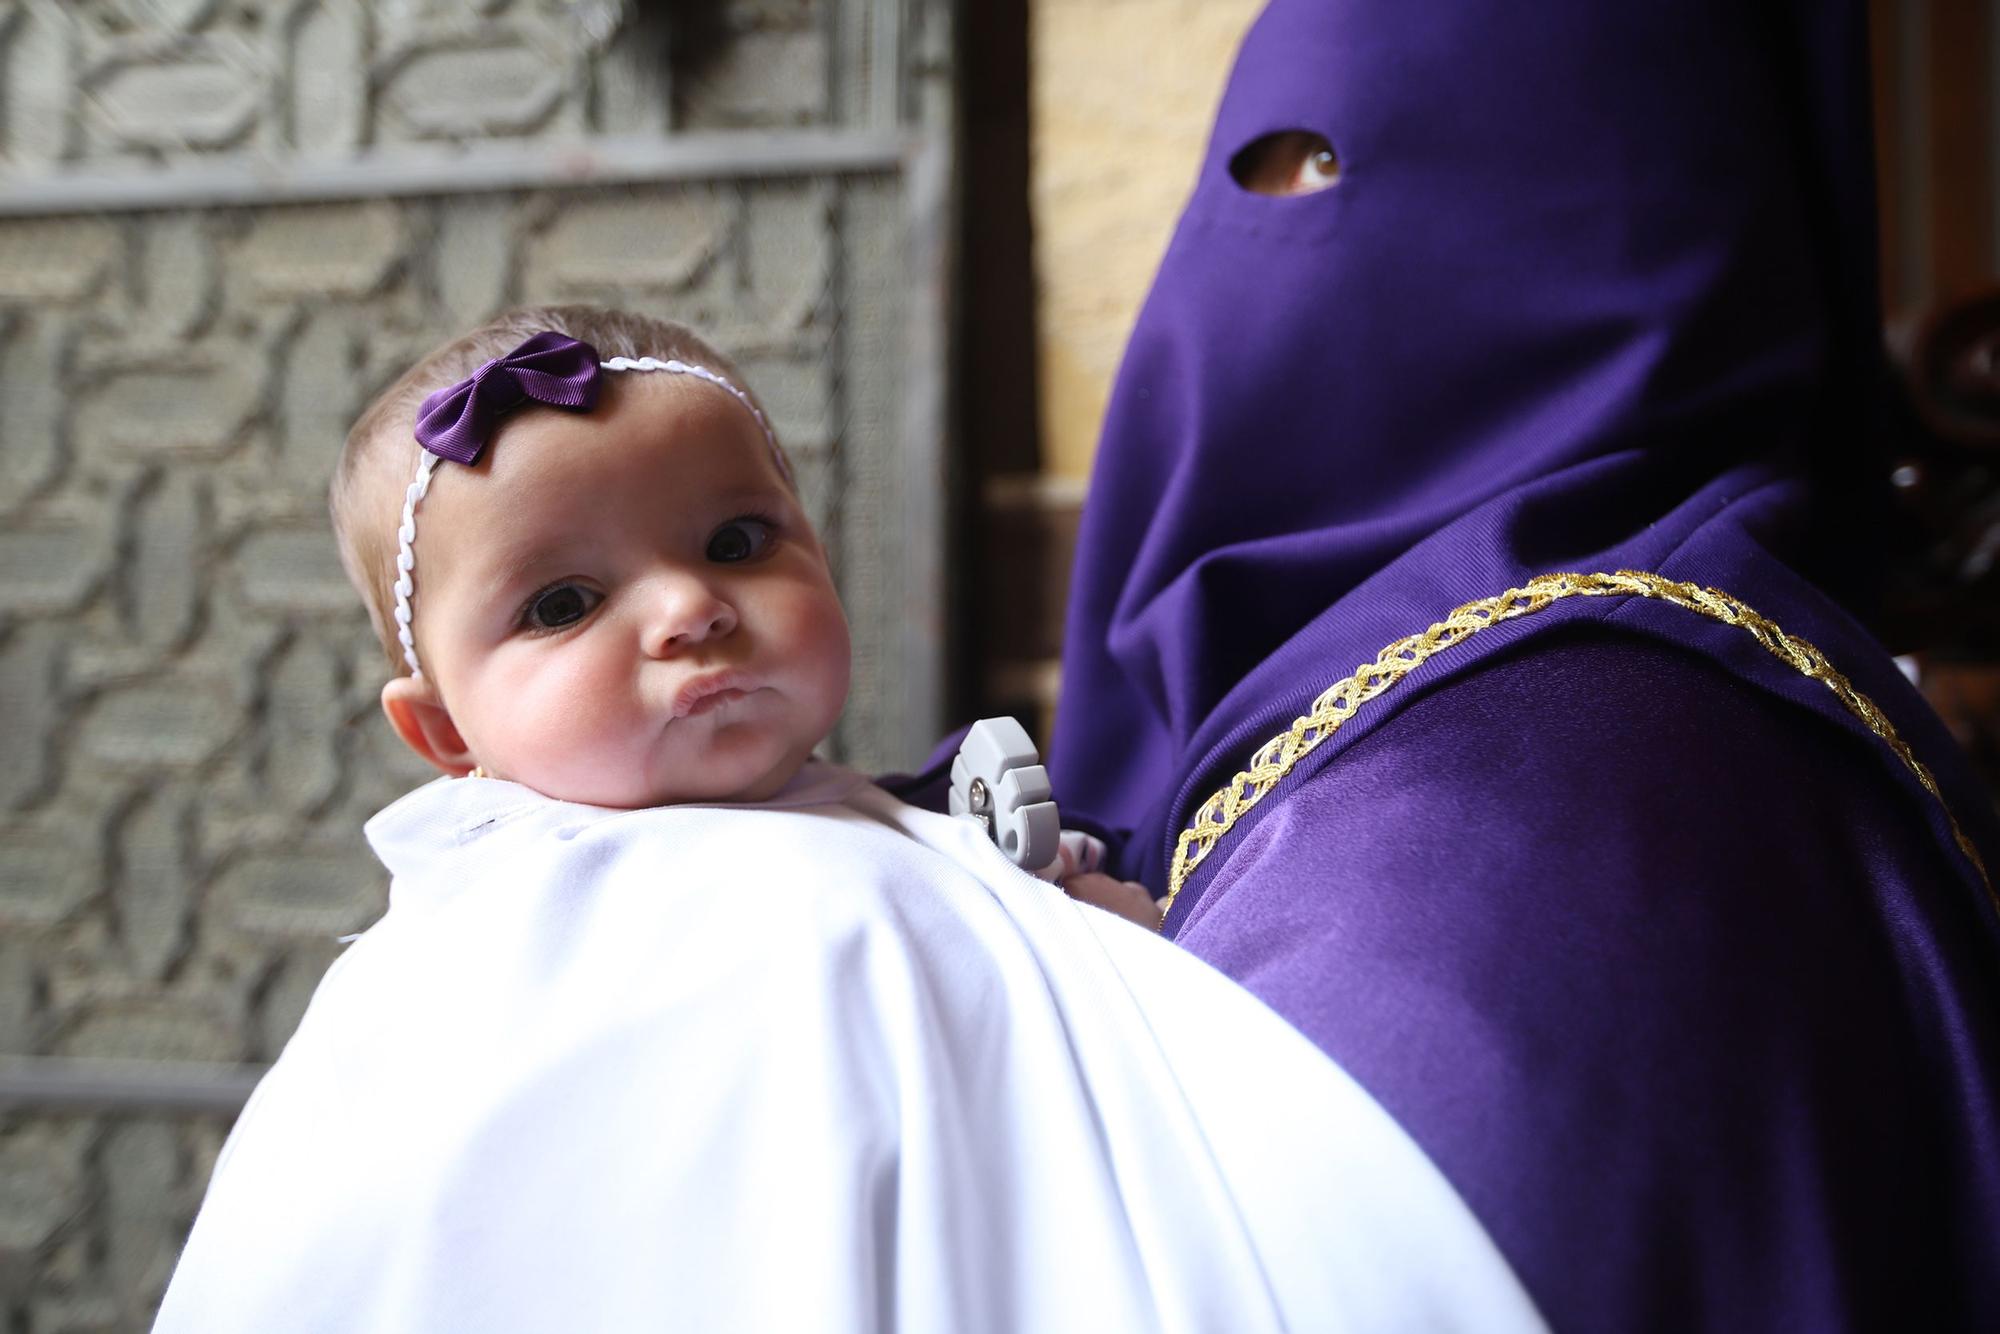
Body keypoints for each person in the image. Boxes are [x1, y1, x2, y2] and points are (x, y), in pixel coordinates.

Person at [152, 306, 1545, 1332]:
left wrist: (1078, 921)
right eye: (564, 604)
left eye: (736, 540)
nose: (688, 607)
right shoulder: (497, 946)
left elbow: (999, 970)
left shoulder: (881, 819)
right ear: (448, 732)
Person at [1048, 1, 2000, 1329]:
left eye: (1326, 167)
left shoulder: (1503, 821)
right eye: (1244, 174)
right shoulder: (1634, 684)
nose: (1227, 262)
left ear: (1588, 234)